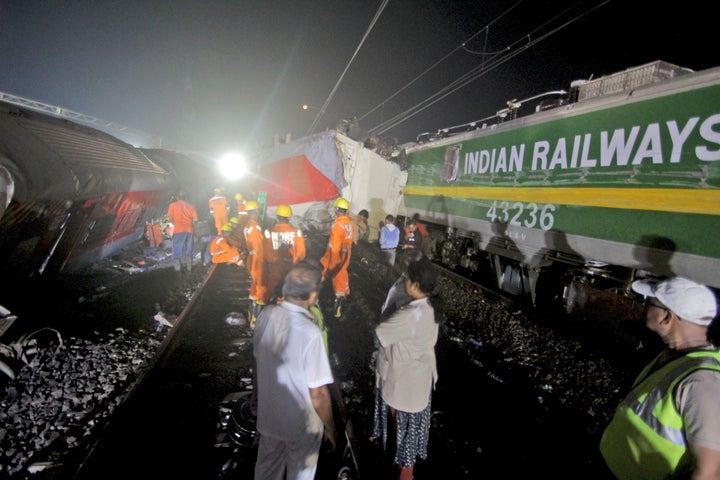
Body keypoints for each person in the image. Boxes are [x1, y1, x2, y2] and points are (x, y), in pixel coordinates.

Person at [600, 276, 720, 479]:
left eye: (650, 303)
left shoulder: (701, 382)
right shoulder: (675, 356)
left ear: (667, 317)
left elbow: (710, 471)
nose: (645, 307)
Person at [252, 263, 337, 480]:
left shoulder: (266, 316)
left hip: (269, 420)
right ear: (312, 294)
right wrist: (330, 427)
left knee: (266, 473)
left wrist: (256, 395)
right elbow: (317, 393)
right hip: (301, 428)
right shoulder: (311, 332)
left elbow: (258, 360)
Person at [372, 257, 441, 480]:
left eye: (408, 280)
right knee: (409, 438)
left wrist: (386, 315)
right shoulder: (431, 307)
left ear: (416, 285)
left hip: (402, 386)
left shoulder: (409, 315)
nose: (405, 283)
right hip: (418, 382)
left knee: (401, 442)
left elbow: (381, 333)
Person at [264, 204, 306, 303]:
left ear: (277, 217)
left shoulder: (269, 232)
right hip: (291, 266)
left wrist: (274, 261)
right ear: (289, 217)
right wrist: (294, 261)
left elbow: (266, 251)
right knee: (291, 291)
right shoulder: (296, 232)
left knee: (272, 291)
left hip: (275, 266)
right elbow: (301, 252)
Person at [320, 197, 354, 318]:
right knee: (341, 275)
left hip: (335, 255)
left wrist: (332, 265)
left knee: (330, 275)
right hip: (346, 254)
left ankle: (335, 309)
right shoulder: (349, 223)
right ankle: (338, 304)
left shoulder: (338, 225)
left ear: (336, 209)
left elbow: (334, 248)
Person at [243, 200, 268, 326]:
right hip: (257, 261)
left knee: (255, 289)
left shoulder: (249, 225)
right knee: (260, 289)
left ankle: (252, 318)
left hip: (253, 259)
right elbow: (259, 248)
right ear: (257, 211)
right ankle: (256, 321)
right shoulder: (254, 227)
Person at [166, 190, 198, 272]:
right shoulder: (191, 206)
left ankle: (178, 270)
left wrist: (175, 223)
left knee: (176, 250)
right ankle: (189, 268)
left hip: (178, 230)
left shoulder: (173, 205)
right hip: (189, 230)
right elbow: (196, 219)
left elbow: (169, 218)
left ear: (177, 198)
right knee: (189, 249)